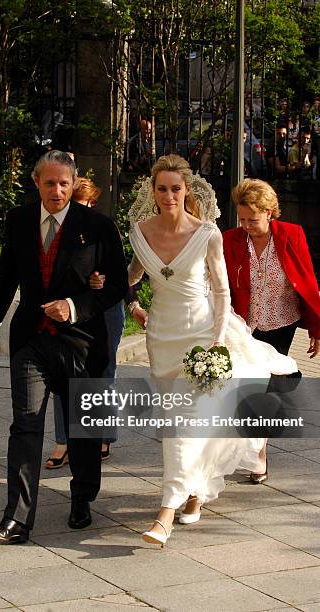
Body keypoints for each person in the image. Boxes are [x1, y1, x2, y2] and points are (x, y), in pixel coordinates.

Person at [126, 154, 296, 547]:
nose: (169, 195)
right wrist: (124, 297)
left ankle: (165, 513)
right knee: (179, 424)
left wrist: (219, 340)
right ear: (152, 191)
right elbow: (131, 275)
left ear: (187, 191)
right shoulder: (141, 232)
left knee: (183, 424)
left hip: (201, 335)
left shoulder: (206, 233)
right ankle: (195, 492)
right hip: (161, 337)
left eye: (176, 188)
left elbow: (221, 291)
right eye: (162, 188)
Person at [0, 150, 128, 543]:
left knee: (82, 428)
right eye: (49, 183)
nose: (57, 190)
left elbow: (118, 286)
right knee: (25, 426)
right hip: (31, 339)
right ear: (37, 183)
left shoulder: (97, 226)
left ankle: (81, 499)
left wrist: (75, 305)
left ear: (73, 183)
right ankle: (16, 519)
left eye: (64, 183)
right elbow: (7, 273)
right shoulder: (19, 220)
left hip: (82, 343)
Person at [223, 178, 320, 483]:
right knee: (246, 387)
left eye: (252, 219)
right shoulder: (230, 240)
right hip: (244, 324)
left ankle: (259, 451)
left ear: (269, 212)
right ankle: (246, 448)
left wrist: (316, 328)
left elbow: (307, 280)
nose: (246, 225)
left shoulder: (292, 235)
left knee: (268, 389)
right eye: (242, 219)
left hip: (282, 322)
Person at [45, 177, 125, 468]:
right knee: (62, 375)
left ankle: (101, 436)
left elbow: (121, 276)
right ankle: (64, 441)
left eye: (90, 203)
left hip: (105, 311)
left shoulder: (105, 227)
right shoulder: (53, 229)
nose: (86, 208)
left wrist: (105, 282)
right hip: (67, 311)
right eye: (80, 203)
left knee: (103, 374)